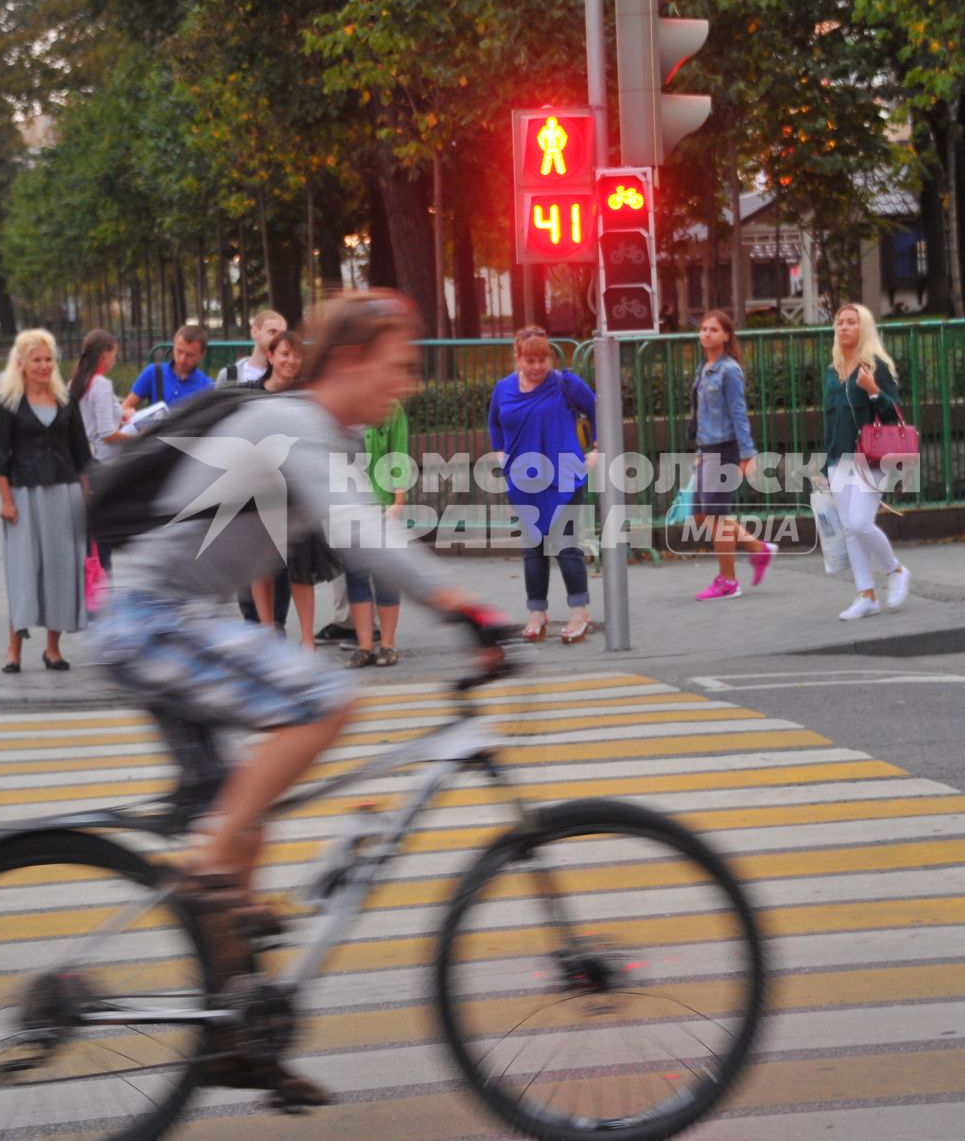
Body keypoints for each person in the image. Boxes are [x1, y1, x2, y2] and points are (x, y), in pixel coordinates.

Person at [98, 293, 503, 1102]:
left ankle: (239, 1034)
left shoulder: (317, 431)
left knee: (244, 823)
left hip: (163, 618)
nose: (407, 386)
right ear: (351, 360)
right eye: (398, 368)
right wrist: (463, 604)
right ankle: (210, 870)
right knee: (326, 697)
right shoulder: (297, 425)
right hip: (153, 621)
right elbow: (360, 533)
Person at [0, 328, 92, 673]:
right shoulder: (9, 404)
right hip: (23, 496)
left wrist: (88, 498)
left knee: (60, 571)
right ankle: (13, 650)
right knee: (24, 573)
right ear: (22, 364)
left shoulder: (65, 401)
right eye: (37, 360)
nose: (44, 366)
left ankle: (52, 650)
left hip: (64, 494)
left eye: (48, 359)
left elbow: (81, 456)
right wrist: (6, 501)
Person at [488, 326, 596, 644]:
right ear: (517, 359)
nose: (537, 367)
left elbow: (598, 408)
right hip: (522, 479)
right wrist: (500, 454)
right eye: (530, 360)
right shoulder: (503, 388)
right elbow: (495, 421)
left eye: (542, 359)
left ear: (549, 357)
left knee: (565, 546)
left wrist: (598, 450)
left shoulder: (565, 384)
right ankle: (537, 613)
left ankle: (580, 612)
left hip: (564, 476)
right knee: (533, 549)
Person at [242, 330, 336, 646]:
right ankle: (268, 636)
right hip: (259, 492)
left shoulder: (306, 396)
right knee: (261, 567)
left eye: (296, 355)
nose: (291, 360)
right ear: (270, 356)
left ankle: (307, 641)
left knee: (301, 571)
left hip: (298, 493)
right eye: (284, 354)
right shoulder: (250, 395)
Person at [821, 303, 911, 620]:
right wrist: (824, 465)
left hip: (870, 458)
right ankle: (867, 594)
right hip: (838, 459)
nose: (844, 327)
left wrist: (873, 391)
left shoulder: (876, 366)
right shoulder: (832, 371)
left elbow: (894, 415)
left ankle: (896, 570)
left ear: (864, 328)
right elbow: (830, 420)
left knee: (860, 523)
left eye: (851, 322)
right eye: (840, 322)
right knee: (849, 529)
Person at [688, 310, 773, 601]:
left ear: (726, 336)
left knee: (716, 517)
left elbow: (739, 415)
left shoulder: (729, 371)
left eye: (713, 329)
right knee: (700, 515)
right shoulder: (705, 368)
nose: (706, 334)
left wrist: (747, 455)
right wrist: (700, 450)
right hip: (708, 448)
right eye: (703, 329)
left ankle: (729, 581)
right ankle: (756, 548)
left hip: (725, 449)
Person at [346, 398, 409, 668]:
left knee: (385, 575)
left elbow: (399, 455)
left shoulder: (390, 407)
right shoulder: (341, 406)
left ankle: (388, 644)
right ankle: (364, 646)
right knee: (356, 576)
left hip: (382, 503)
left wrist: (398, 502)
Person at [121, 324, 211, 419]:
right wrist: (130, 416)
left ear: (202, 355)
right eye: (179, 351)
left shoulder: (208, 386)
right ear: (173, 347)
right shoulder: (154, 372)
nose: (182, 359)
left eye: (190, 355)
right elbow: (126, 406)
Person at [70, 328, 132, 462]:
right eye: (114, 356)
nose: (114, 362)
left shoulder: (74, 383)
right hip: (106, 461)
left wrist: (120, 416)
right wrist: (140, 438)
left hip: (83, 458)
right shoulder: (101, 385)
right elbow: (108, 435)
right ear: (105, 354)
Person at [215, 309, 288, 387]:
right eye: (272, 332)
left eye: (282, 334)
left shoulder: (288, 375)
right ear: (255, 332)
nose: (277, 338)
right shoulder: (229, 375)